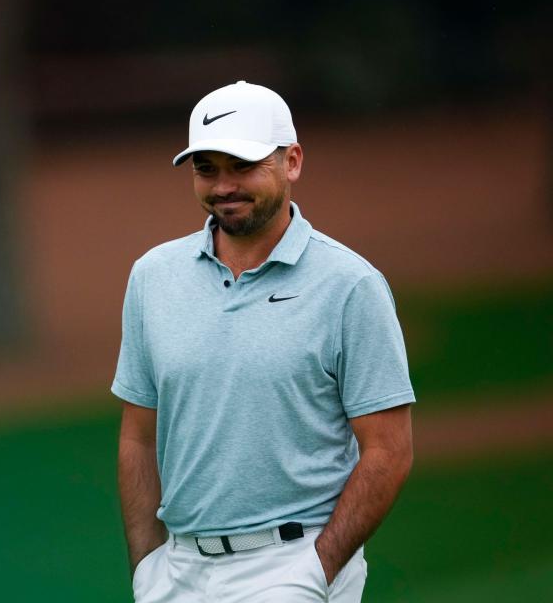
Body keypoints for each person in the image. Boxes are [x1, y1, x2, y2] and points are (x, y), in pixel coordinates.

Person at [112, 81, 415, 602]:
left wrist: (318, 569)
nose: (224, 185)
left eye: (243, 165)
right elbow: (138, 436)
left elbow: (389, 450)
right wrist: (147, 568)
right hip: (176, 574)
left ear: (292, 161)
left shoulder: (350, 286)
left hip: (290, 565)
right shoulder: (153, 277)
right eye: (207, 168)